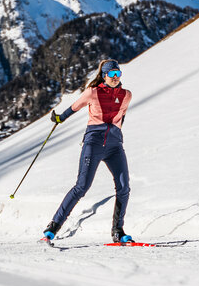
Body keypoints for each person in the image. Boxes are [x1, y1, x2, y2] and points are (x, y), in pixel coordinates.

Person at [41, 59, 134, 244]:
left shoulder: (127, 95)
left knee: (124, 187)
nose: (115, 78)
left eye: (118, 74)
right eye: (111, 74)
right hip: (93, 143)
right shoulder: (93, 92)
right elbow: (75, 107)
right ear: (104, 75)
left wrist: (117, 134)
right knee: (82, 186)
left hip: (115, 146)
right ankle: (53, 227)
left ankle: (118, 231)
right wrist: (60, 118)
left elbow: (121, 117)